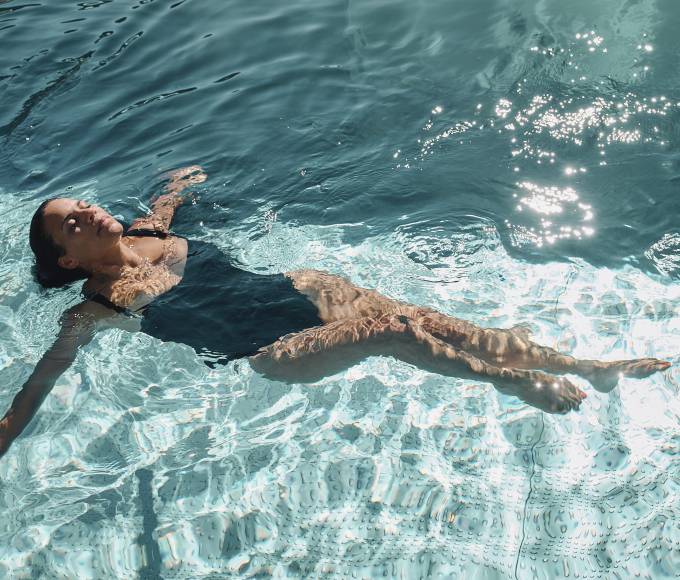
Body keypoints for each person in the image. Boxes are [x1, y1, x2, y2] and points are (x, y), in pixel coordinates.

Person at [0, 166, 671, 457]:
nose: (87, 210)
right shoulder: (94, 308)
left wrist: (179, 182)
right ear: (67, 260)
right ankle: (521, 386)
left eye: (80, 205)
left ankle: (591, 365)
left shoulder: (149, 228)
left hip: (299, 289)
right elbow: (42, 381)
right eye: (72, 224)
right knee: (391, 331)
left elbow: (169, 201)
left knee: (442, 325)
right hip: (267, 348)